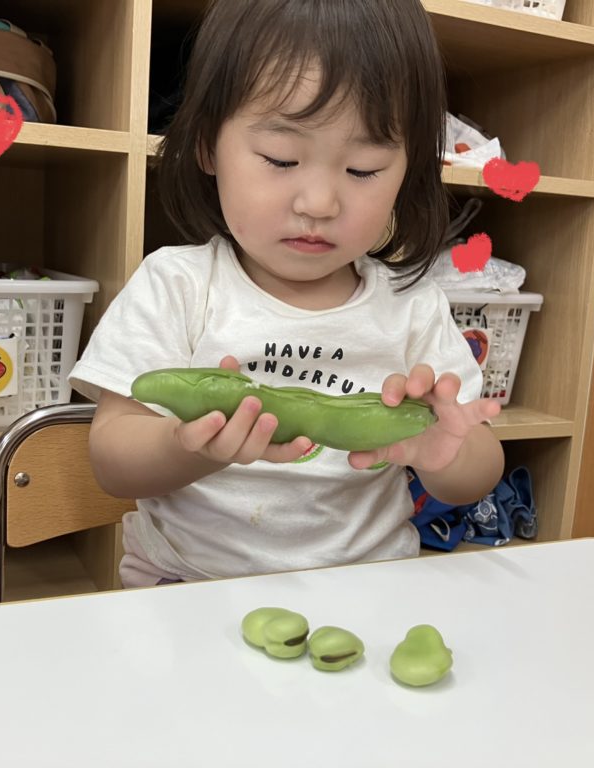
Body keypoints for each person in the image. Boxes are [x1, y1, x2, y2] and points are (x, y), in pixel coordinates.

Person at [69, 0, 504, 587]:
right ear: (207, 146)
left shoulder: (412, 304)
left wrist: (444, 450)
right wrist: (190, 447)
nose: (319, 203)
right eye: (281, 158)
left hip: (367, 587)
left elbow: (478, 471)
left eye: (363, 169)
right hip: (189, 584)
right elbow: (112, 461)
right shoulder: (178, 285)